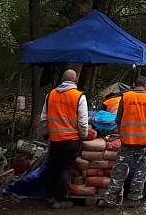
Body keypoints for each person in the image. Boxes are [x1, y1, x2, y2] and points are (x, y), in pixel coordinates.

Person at [98, 75, 146, 209]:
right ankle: (134, 199)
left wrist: (121, 134)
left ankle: (111, 199)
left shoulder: (126, 97)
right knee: (140, 171)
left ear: (133, 84)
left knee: (120, 169)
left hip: (127, 141)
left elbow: (118, 120)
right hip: (144, 141)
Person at [40, 69, 88, 209]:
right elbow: (83, 122)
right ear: (75, 79)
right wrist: (83, 137)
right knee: (65, 169)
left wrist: (48, 133)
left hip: (55, 140)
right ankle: (61, 200)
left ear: (62, 79)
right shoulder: (79, 96)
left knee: (53, 167)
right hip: (71, 140)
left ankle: (49, 196)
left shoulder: (51, 94)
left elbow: (43, 118)